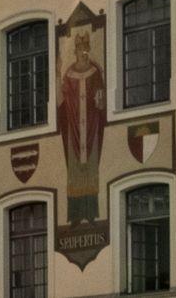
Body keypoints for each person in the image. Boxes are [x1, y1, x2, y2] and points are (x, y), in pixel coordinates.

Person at [59, 25, 107, 224]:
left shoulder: (95, 72)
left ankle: (91, 213)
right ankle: (76, 216)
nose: (83, 51)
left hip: (92, 127)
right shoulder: (69, 74)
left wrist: (99, 98)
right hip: (74, 129)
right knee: (75, 171)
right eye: (80, 48)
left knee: (91, 168)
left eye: (86, 48)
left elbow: (100, 101)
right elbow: (62, 101)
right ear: (75, 51)